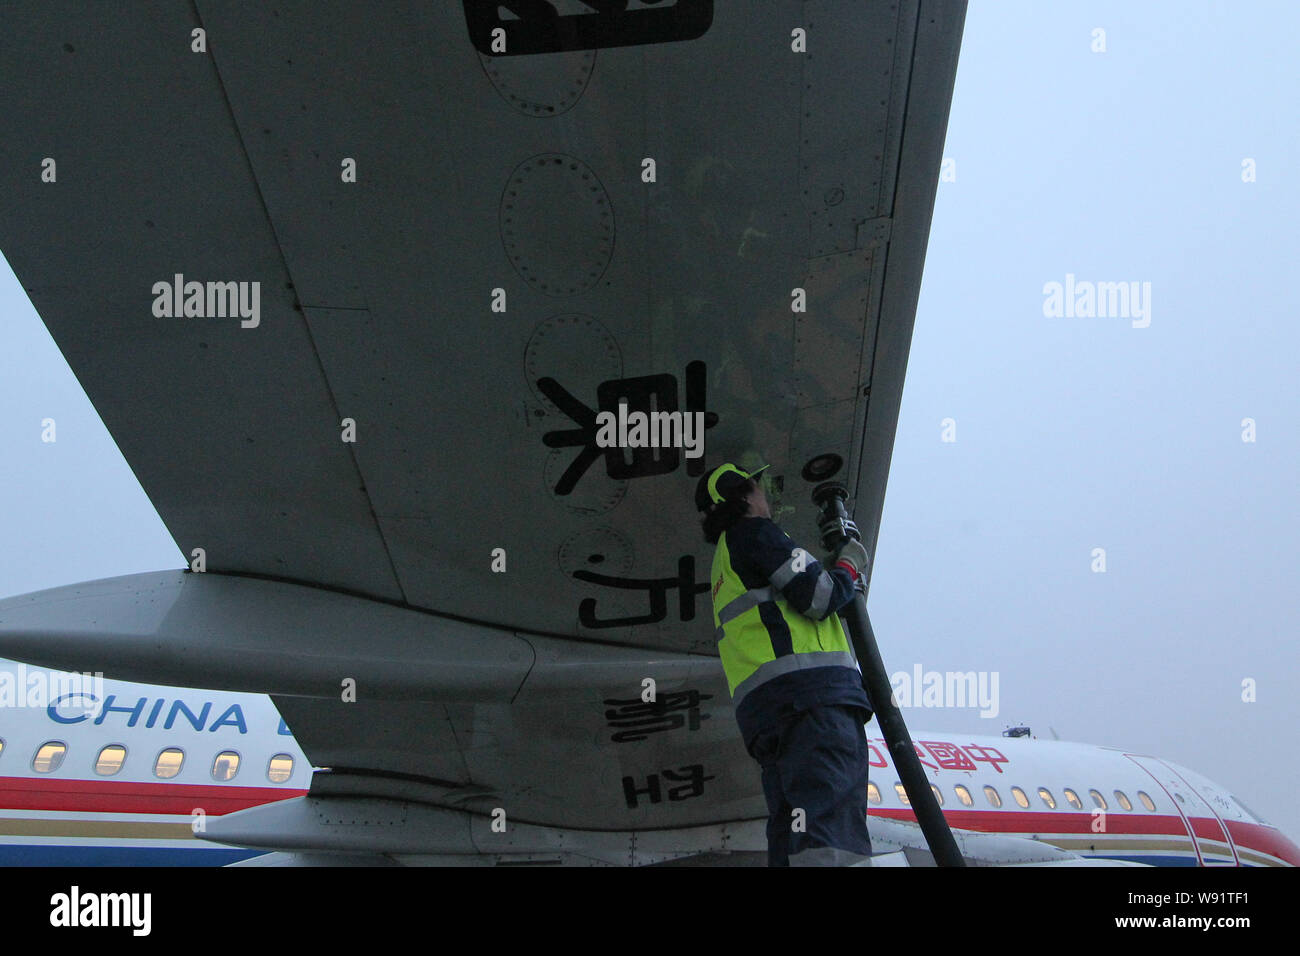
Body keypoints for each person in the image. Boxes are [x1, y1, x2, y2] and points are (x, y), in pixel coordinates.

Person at [695, 462, 874, 866]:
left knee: (791, 835)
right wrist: (848, 565)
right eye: (759, 488)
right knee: (831, 829)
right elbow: (820, 596)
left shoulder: (723, 564)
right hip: (812, 703)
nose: (766, 497)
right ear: (743, 497)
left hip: (771, 717)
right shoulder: (755, 534)